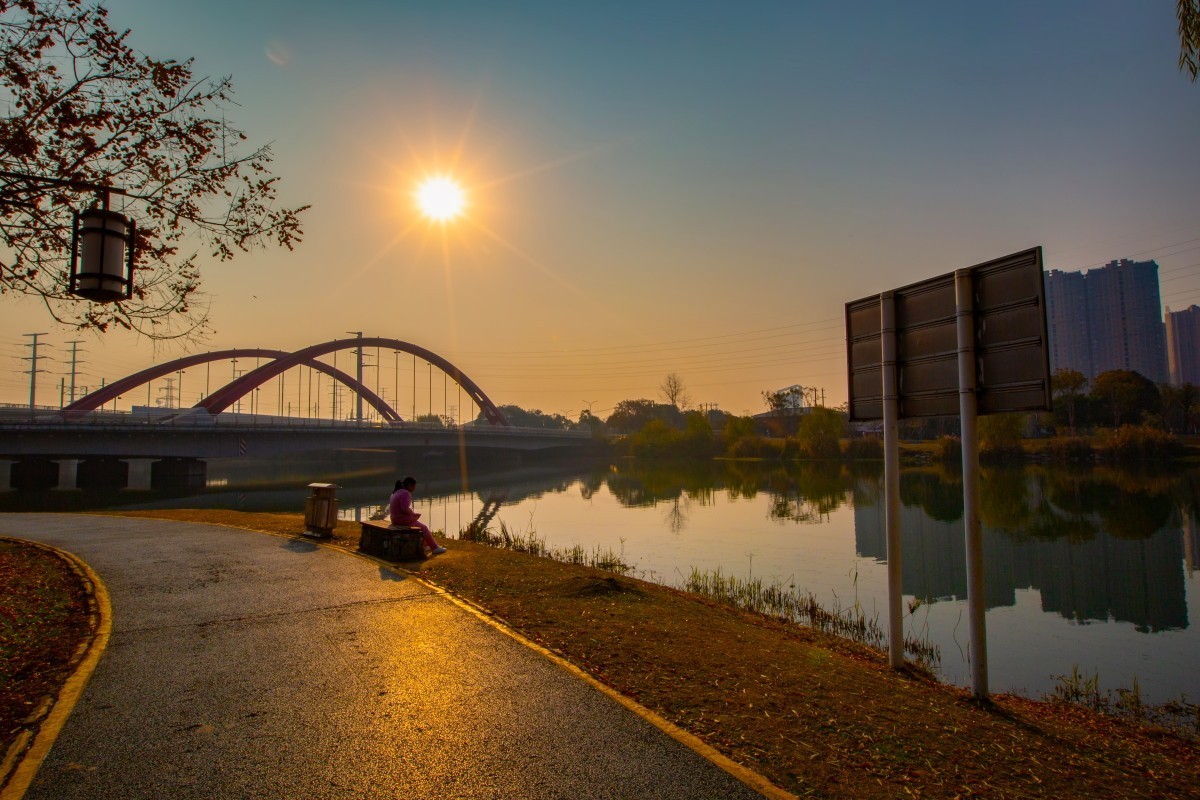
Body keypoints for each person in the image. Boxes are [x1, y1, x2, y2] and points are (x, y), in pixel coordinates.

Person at [389, 476, 446, 555]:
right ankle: (435, 548)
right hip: (401, 520)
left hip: (394, 519)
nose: (414, 488)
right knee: (424, 528)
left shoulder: (396, 492)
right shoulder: (405, 493)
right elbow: (404, 509)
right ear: (409, 485)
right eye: (414, 486)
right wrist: (412, 513)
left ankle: (427, 545)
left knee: (417, 523)